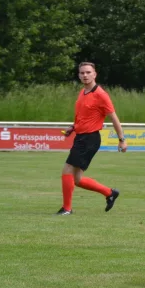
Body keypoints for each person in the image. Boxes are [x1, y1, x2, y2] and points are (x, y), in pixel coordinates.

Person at [57, 62, 127, 215]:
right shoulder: (83, 92)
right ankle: (109, 193)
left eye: (88, 72)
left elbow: (114, 118)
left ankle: (67, 209)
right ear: (79, 75)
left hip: (90, 139)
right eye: (82, 73)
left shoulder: (101, 95)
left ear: (95, 74)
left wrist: (122, 139)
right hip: (81, 137)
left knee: (67, 169)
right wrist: (73, 127)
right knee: (77, 179)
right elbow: (83, 117)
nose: (85, 75)